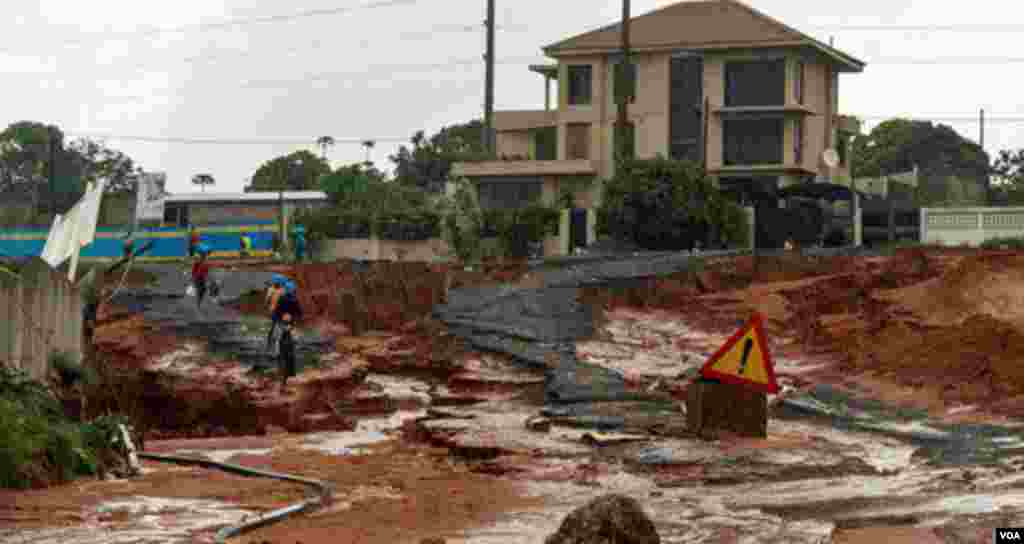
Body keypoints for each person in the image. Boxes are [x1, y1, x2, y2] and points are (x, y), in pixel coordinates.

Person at [278, 313, 297, 390]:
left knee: (289, 363)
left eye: (288, 317)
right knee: (284, 364)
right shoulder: (282, 326)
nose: (287, 318)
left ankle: (285, 382)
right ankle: (283, 382)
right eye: (285, 317)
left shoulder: (290, 326)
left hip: (289, 346)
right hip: (284, 347)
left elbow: (293, 336)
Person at [191, 244, 211, 309]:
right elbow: (196, 269)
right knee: (201, 290)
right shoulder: (199, 259)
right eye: (207, 253)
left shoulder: (203, 259)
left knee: (202, 289)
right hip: (199, 277)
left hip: (200, 277)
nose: (208, 254)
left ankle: (198, 303)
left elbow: (203, 269)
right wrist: (195, 276)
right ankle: (197, 304)